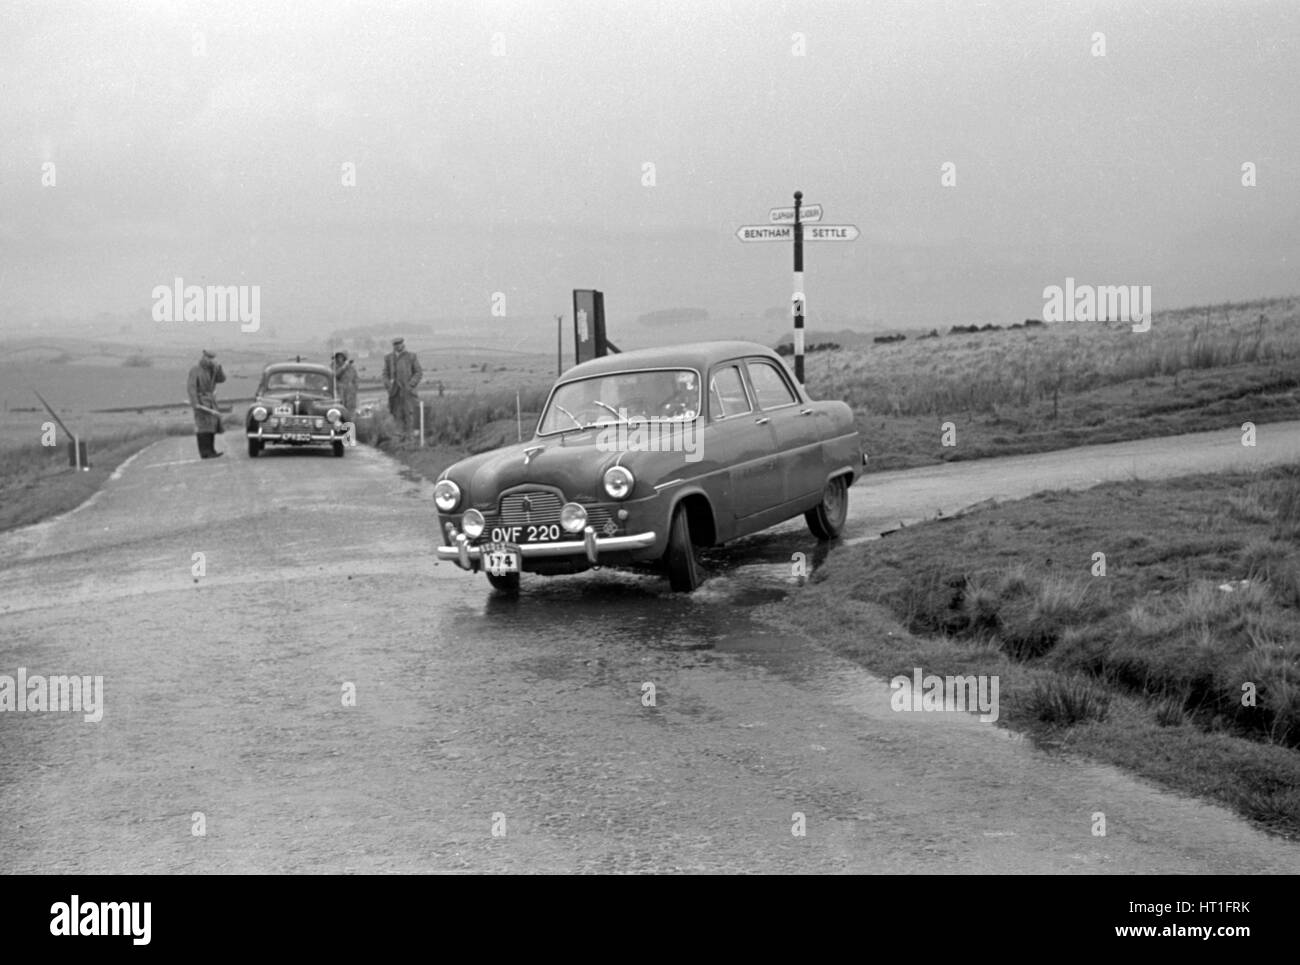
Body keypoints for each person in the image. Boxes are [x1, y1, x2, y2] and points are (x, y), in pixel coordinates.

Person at [186, 348, 226, 459]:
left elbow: (222, 379)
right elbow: (191, 387)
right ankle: (205, 452)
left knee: (211, 426)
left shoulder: (212, 370)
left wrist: (219, 369)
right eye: (209, 358)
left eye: (212, 359)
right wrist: (195, 403)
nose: (211, 360)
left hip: (211, 401)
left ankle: (211, 450)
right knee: (203, 427)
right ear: (204, 357)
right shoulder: (195, 370)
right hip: (201, 401)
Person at [382, 337, 423, 437]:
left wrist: (411, 385)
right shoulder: (389, 358)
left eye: (399, 344)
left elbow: (418, 372)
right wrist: (389, 385)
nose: (398, 346)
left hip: (408, 391)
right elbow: (385, 374)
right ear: (393, 346)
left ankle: (412, 437)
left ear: (403, 344)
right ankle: (400, 439)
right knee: (397, 413)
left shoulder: (411, 356)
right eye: (395, 344)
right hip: (395, 392)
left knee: (410, 413)